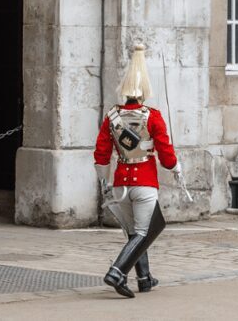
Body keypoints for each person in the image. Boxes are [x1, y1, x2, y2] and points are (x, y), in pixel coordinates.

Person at [93, 43, 183, 298]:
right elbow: (166, 155)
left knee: (134, 233)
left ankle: (144, 278)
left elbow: (101, 153)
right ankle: (116, 272)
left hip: (121, 182)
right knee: (145, 233)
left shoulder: (111, 117)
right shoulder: (153, 116)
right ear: (144, 92)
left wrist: (104, 180)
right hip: (144, 181)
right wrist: (176, 167)